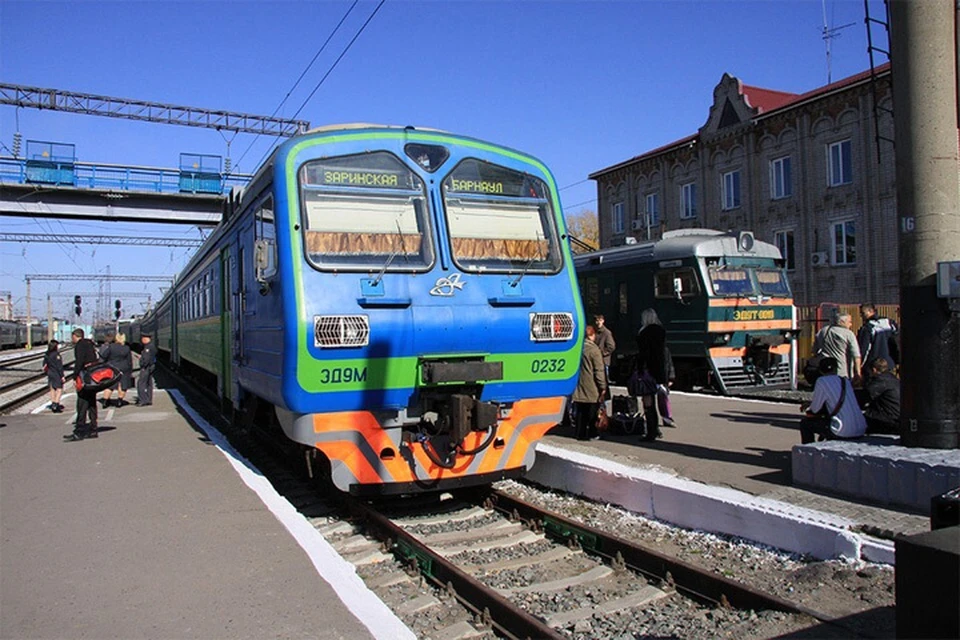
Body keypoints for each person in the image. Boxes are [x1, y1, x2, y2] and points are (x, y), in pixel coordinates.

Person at [799, 357, 866, 444]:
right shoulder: (845, 381)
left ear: (820, 370)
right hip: (860, 428)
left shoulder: (821, 381)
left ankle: (808, 450)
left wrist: (810, 406)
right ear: (836, 369)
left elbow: (815, 409)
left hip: (843, 430)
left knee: (805, 424)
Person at [634, 308, 676, 440]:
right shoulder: (661, 332)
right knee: (660, 399)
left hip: (647, 371)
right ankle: (657, 428)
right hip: (660, 371)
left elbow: (643, 354)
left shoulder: (643, 333)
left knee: (648, 402)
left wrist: (639, 370)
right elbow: (664, 354)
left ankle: (652, 431)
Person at [571, 325, 606, 441]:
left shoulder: (576, 348)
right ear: (592, 335)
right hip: (591, 385)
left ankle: (579, 432)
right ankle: (592, 432)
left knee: (580, 410)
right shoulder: (594, 350)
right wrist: (602, 386)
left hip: (578, 384)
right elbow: (599, 370)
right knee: (592, 411)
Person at [65, 328, 100, 441]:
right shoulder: (90, 344)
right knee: (91, 403)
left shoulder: (80, 345)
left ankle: (79, 431)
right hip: (93, 376)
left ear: (75, 336)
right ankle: (93, 428)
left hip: (85, 377)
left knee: (82, 403)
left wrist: (75, 376)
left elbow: (79, 361)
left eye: (72, 337)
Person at [813, 313, 861, 384]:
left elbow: (815, 350)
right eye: (849, 322)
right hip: (842, 370)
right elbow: (856, 355)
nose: (851, 324)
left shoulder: (823, 331)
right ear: (842, 322)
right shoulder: (848, 334)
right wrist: (858, 373)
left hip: (825, 368)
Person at [856, 358, 900, 434]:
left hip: (887, 419)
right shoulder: (893, 379)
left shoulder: (880, 381)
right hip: (896, 417)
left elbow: (864, 397)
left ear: (874, 370)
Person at [857, 304, 899, 377]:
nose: (861, 316)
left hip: (874, 365)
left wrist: (860, 366)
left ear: (871, 311)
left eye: (863, 313)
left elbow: (865, 348)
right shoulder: (890, 323)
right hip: (890, 363)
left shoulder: (868, 327)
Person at [102, 333, 133, 408]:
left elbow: (104, 356)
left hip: (112, 367)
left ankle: (105, 401)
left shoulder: (111, 347)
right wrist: (130, 370)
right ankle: (119, 401)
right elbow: (129, 360)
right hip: (124, 368)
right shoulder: (126, 348)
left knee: (110, 385)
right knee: (122, 385)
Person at [43, 339, 65, 413]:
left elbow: (44, 365)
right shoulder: (56, 355)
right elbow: (59, 366)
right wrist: (62, 376)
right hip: (56, 373)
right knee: (59, 389)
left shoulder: (47, 354)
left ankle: (52, 403)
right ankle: (56, 404)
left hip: (50, 373)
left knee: (52, 388)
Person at [594, 315, 616, 382]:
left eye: (600, 320)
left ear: (603, 321)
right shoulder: (594, 331)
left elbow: (611, 346)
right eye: (597, 321)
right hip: (595, 359)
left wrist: (602, 353)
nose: (598, 322)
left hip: (603, 360)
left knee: (603, 380)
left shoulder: (606, 333)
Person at [136, 333, 156, 406]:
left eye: (142, 338)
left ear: (145, 339)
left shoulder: (148, 347)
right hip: (151, 366)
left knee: (141, 383)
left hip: (146, 368)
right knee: (149, 384)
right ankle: (148, 399)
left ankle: (143, 400)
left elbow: (146, 359)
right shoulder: (152, 346)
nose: (142, 340)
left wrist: (142, 364)